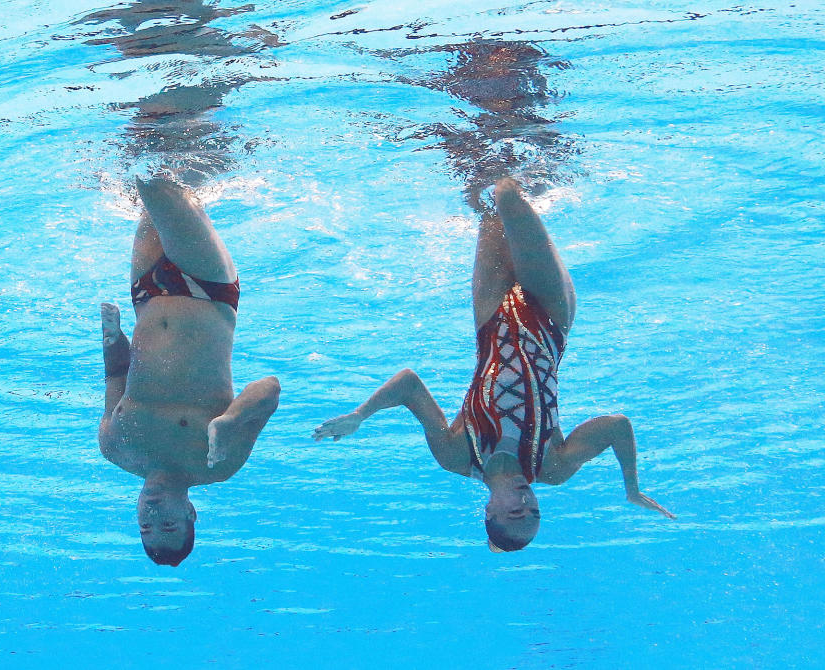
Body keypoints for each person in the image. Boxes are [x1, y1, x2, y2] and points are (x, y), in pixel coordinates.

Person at [313, 178, 673, 552]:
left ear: (489, 512)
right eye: (534, 513)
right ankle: (534, 148)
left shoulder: (457, 456)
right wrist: (631, 487)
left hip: (489, 318)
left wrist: (361, 414)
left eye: (516, 514)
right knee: (507, 194)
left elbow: (409, 385)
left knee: (482, 199)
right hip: (550, 316)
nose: (527, 503)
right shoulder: (553, 467)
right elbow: (617, 426)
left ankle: (478, 134)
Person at [99, 176, 280, 566]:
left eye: (145, 528)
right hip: (207, 289)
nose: (152, 516)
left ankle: (185, 127)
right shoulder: (217, 462)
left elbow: (118, 377)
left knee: (155, 176)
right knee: (156, 181)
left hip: (146, 293)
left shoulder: (114, 449)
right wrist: (231, 420)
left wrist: (112, 336)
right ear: (190, 514)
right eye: (168, 526)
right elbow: (270, 389)